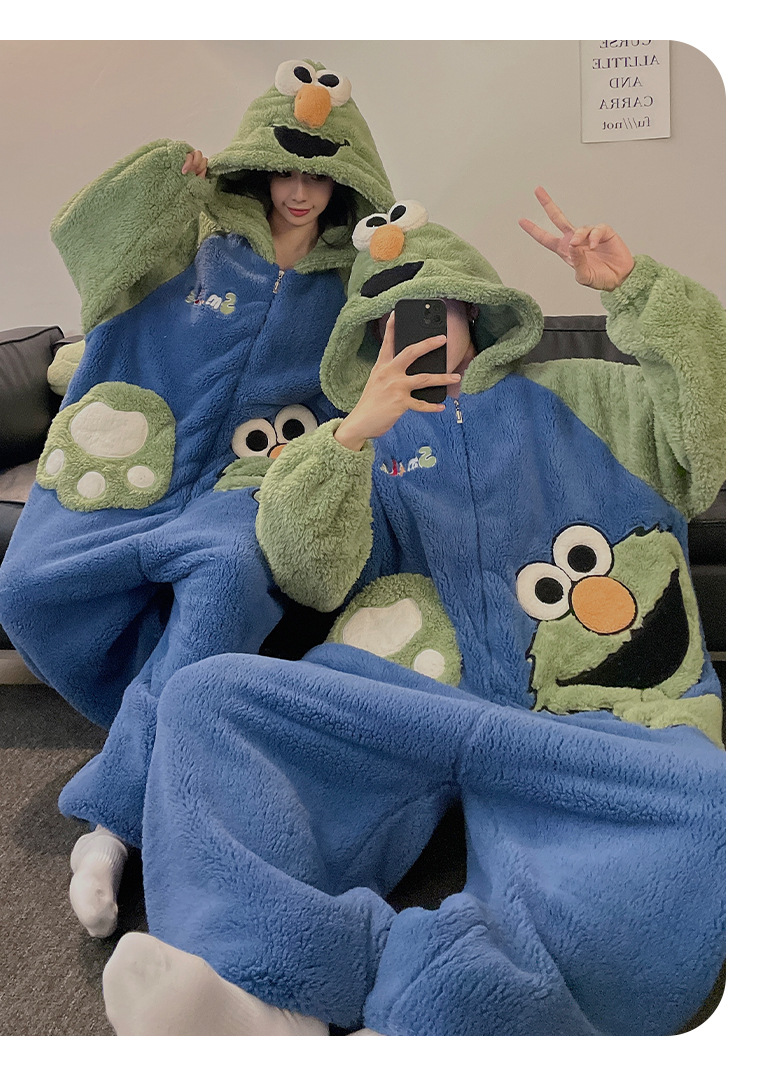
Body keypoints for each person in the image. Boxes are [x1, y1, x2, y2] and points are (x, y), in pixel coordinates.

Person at [98, 189, 725, 1035]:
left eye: (432, 310)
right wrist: (350, 438)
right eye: (388, 321)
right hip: (417, 701)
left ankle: (445, 1012)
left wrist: (637, 288)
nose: (414, 332)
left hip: (599, 717)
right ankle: (260, 987)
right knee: (207, 698)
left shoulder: (591, 395)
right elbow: (310, 573)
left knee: (711, 806)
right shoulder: (366, 435)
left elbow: (715, 438)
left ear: (474, 310)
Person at [0, 59, 393, 938]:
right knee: (22, 589)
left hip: (249, 484)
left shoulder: (349, 287)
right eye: (285, 171)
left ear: (347, 180)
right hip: (136, 464)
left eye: (321, 177)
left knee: (227, 584)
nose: (301, 192)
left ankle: (111, 827)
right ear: (257, 163)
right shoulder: (194, 240)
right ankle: (171, 736)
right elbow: (90, 251)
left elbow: (399, 358)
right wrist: (159, 179)